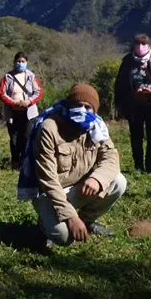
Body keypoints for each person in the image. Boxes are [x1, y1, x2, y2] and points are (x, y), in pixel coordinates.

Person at [18, 83, 126, 247]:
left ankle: (86, 221)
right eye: (77, 105)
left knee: (118, 182)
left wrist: (97, 179)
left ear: (94, 111)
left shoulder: (97, 127)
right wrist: (70, 217)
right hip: (51, 193)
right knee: (64, 238)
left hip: (80, 187)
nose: (82, 111)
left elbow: (111, 157)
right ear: (69, 105)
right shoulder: (50, 127)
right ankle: (44, 226)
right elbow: (47, 179)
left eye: (87, 107)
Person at [114, 34, 151, 173]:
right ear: (133, 46)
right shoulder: (128, 61)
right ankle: (138, 166)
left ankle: (150, 165)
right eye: (138, 44)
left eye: (144, 44)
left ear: (149, 46)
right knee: (136, 136)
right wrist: (123, 100)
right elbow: (120, 83)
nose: (140, 47)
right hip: (134, 106)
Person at [0, 52, 43, 169]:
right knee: (14, 138)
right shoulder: (8, 77)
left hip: (29, 113)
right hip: (12, 113)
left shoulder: (31, 76)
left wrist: (28, 102)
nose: (20, 64)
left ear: (26, 63)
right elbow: (1, 93)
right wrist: (13, 103)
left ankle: (26, 162)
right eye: (18, 61)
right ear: (14, 62)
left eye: (23, 62)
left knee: (27, 137)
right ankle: (15, 161)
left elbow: (39, 92)